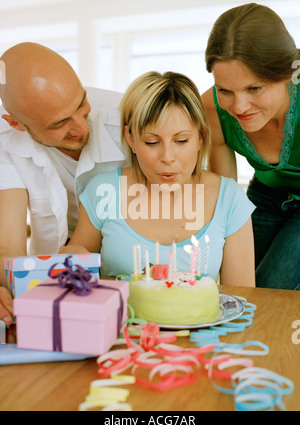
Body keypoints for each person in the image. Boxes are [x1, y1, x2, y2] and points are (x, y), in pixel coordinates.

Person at [60, 71, 256, 287]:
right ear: (131, 139)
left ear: (200, 137)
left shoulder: (230, 199)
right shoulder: (103, 192)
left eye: (181, 140)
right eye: (152, 142)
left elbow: (242, 298)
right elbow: (74, 274)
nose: (167, 158)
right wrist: (70, 259)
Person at [0, 42, 128, 325]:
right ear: (16, 124)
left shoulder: (127, 116)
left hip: (128, 267)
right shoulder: (4, 143)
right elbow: (9, 246)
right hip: (51, 273)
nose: (83, 127)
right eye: (59, 124)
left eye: (81, 105)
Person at [202, 3, 300, 290]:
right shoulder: (212, 108)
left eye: (254, 88)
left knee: (274, 289)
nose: (240, 107)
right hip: (266, 193)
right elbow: (226, 196)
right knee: (239, 287)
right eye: (226, 90)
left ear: (285, 72)